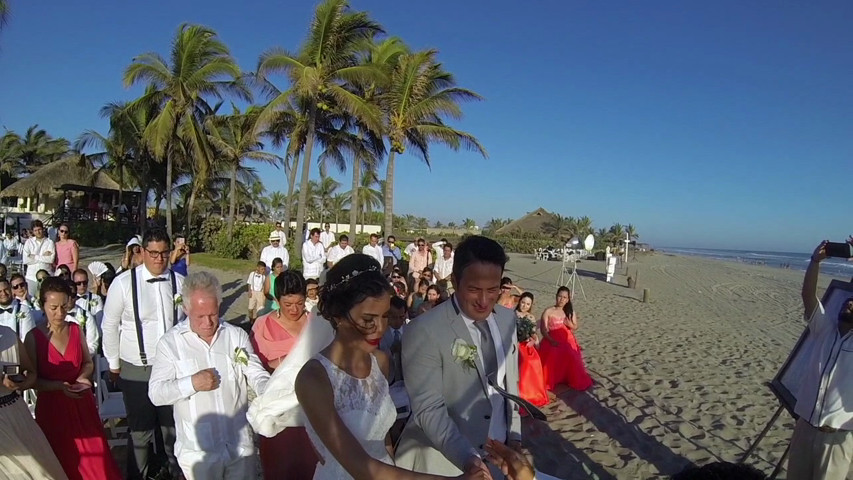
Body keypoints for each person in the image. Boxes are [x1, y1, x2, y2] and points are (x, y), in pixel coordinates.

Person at [294, 254, 484, 479]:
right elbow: (361, 467)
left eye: (384, 316)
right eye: (368, 319)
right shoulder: (313, 378)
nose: (379, 328)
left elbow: (384, 440)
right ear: (338, 316)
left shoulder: (380, 362)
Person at [397, 235, 522, 478]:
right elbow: (428, 409)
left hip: (499, 457)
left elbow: (511, 385)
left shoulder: (508, 319)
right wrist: (469, 460)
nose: (484, 300)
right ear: (455, 280)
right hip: (442, 462)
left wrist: (515, 437)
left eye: (493, 289)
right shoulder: (423, 330)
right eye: (474, 289)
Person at [148, 272, 270, 479]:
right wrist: (191, 383)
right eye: (200, 316)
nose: (208, 322)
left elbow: (256, 372)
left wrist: (269, 391)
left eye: (213, 314)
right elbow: (156, 394)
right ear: (186, 309)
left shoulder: (235, 336)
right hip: (198, 452)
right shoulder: (171, 344)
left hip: (239, 446)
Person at [102, 228, 185, 480]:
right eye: (154, 253)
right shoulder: (124, 283)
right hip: (137, 367)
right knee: (140, 430)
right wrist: (114, 364)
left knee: (173, 427)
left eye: (164, 253)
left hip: (172, 368)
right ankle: (138, 475)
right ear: (143, 252)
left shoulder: (179, 282)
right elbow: (109, 324)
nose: (159, 259)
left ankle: (175, 473)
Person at [25, 277, 122, 479]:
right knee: (63, 464)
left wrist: (83, 378)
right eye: (53, 308)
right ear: (42, 304)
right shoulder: (33, 337)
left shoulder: (76, 329)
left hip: (81, 405)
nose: (59, 313)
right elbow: (32, 380)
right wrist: (59, 386)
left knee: (97, 463)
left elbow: (88, 362)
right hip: (52, 409)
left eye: (63, 306)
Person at [786, 239, 853, 480]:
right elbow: (808, 295)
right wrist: (815, 261)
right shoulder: (823, 328)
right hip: (804, 429)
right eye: (848, 302)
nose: (850, 303)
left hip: (837, 438)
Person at [250, 269, 318, 479]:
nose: (294, 309)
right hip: (278, 411)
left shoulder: (316, 324)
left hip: (312, 410)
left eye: (299, 303)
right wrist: (280, 363)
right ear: (277, 300)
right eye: (288, 304)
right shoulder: (262, 325)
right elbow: (254, 367)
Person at [0, 324, 68, 479]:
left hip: (15, 414)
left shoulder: (9, 335)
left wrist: (21, 382)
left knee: (39, 472)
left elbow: (30, 373)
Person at [538, 287, 593, 392]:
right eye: (560, 296)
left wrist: (569, 324)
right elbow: (543, 330)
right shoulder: (548, 311)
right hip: (552, 339)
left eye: (564, 297)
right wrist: (551, 340)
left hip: (567, 338)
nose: (561, 299)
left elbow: (575, 326)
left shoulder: (569, 311)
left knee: (571, 355)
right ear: (556, 296)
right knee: (552, 355)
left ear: (568, 299)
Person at [515, 292, 548, 410]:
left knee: (534, 362)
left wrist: (534, 341)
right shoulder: (512, 314)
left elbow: (533, 333)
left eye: (527, 304)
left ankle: (531, 393)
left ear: (531, 305)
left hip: (526, 344)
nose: (524, 306)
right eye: (523, 302)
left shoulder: (531, 317)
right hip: (514, 345)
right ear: (519, 301)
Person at [70, 269, 102, 356]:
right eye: (78, 283)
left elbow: (99, 324)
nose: (82, 285)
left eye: (85, 282)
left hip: (90, 338)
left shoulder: (96, 298)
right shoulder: (68, 300)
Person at [22, 220, 55, 293]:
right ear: (33, 231)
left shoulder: (49, 242)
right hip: (31, 277)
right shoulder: (29, 242)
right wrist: (43, 256)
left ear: (43, 229)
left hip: (46, 276)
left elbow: (51, 259)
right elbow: (26, 260)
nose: (38, 232)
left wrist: (34, 256)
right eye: (35, 230)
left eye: (39, 229)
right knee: (31, 299)